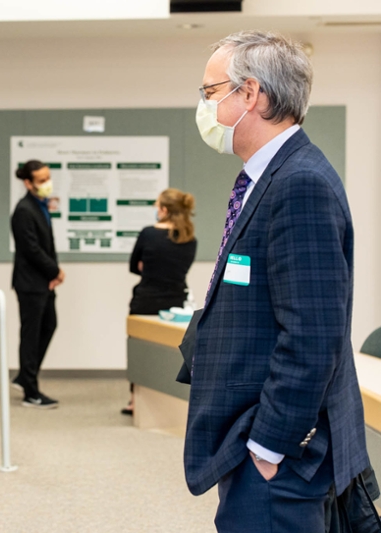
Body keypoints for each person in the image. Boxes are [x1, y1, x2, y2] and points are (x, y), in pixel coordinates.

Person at [180, 31, 370, 532]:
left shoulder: (299, 183)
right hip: (258, 439)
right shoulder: (269, 176)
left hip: (277, 456)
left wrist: (268, 446)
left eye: (210, 92)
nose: (204, 105)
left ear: (250, 94)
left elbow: (313, 334)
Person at [122, 188, 197, 415]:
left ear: (164, 210)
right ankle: (172, 401)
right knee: (172, 351)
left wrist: (149, 266)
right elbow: (181, 269)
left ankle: (135, 401)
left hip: (145, 301)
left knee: (139, 351)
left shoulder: (148, 234)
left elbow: (134, 265)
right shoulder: (189, 238)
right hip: (176, 302)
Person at [10, 160, 64, 409]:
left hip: (43, 281)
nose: (47, 183)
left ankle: (25, 376)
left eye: (47, 177)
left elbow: (46, 245)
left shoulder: (39, 205)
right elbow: (31, 249)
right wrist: (55, 270)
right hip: (30, 283)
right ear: (28, 183)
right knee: (31, 335)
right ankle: (31, 391)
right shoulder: (24, 210)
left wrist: (52, 273)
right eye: (41, 180)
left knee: (49, 325)